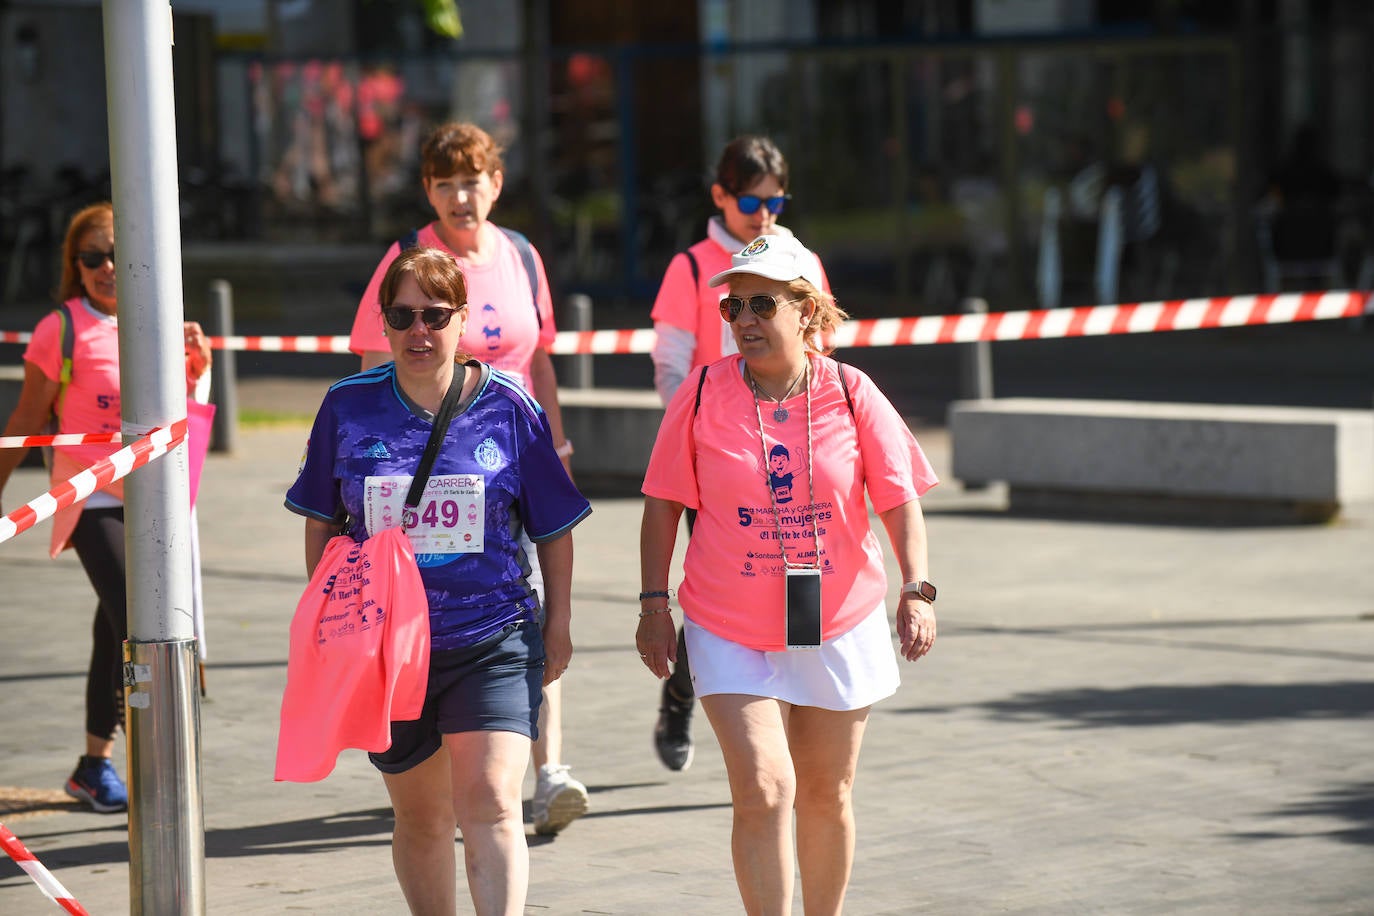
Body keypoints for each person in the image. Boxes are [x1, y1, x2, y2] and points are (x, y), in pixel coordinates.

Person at [637, 234, 938, 915]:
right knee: (767, 788)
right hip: (728, 621)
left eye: (760, 303)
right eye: (732, 305)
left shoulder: (852, 391)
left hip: (835, 617)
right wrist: (655, 605)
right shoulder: (702, 391)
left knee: (826, 794)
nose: (743, 318)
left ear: (805, 310)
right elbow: (661, 506)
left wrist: (916, 588)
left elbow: (898, 498)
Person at [289, 247, 591, 913]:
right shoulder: (347, 406)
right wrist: (343, 622)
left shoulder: (509, 406)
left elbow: (556, 525)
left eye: (434, 315)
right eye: (402, 316)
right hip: (391, 657)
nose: (418, 332)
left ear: (463, 321)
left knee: (489, 801)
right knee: (424, 820)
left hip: (493, 637)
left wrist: (560, 621)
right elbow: (318, 521)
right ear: (384, 323)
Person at [349, 121, 589, 835]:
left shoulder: (519, 253)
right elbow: (370, 362)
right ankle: (448, 754)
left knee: (532, 600)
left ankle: (548, 770)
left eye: (472, 178)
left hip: (514, 461)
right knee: (448, 604)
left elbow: (539, 357)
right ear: (427, 189)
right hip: (436, 470)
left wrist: (557, 439)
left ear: (496, 183)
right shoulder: (407, 259)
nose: (461, 195)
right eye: (444, 181)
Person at [0, 202, 213, 813]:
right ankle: (164, 769)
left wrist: (196, 360)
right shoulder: (60, 328)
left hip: (154, 495)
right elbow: (25, 419)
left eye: (119, 254)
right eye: (92, 257)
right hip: (89, 495)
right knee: (140, 623)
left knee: (111, 629)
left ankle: (92, 766)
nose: (108, 267)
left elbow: (183, 408)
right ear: (75, 265)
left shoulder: (160, 321)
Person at [646, 134, 832, 771]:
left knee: (798, 574)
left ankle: (796, 699)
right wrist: (693, 429)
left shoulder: (800, 258)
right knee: (719, 588)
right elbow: (670, 359)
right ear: (721, 195)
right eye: (750, 199)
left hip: (794, 452)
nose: (764, 213)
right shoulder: (694, 266)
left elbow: (823, 352)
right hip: (721, 459)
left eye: (776, 199)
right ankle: (682, 701)